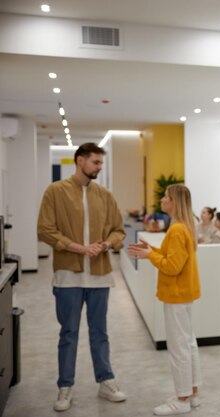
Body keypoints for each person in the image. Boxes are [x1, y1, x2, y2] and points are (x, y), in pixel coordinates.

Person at [37, 142, 127, 412]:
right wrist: (79, 248)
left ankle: (106, 380)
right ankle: (65, 387)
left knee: (100, 332)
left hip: (100, 277)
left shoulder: (106, 195)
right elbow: (45, 231)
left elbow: (118, 231)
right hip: (68, 277)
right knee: (69, 333)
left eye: (101, 163)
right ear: (80, 161)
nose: (99, 167)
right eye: (95, 163)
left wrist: (107, 245)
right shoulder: (55, 191)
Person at [128, 184, 202, 415]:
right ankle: (192, 392)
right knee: (188, 343)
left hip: (176, 295)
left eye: (166, 197)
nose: (162, 200)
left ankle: (182, 400)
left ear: (175, 202)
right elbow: (172, 257)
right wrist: (151, 249)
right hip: (184, 294)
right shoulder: (183, 227)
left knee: (179, 347)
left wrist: (150, 255)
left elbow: (172, 266)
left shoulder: (177, 229)